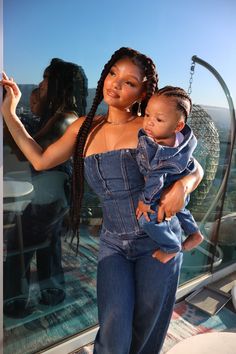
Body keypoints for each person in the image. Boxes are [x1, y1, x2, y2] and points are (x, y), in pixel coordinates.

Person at [1, 47, 203, 353]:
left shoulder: (148, 128)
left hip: (158, 243)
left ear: (143, 93)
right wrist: (9, 112)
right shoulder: (84, 128)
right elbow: (40, 160)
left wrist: (182, 188)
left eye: (130, 82)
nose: (116, 84)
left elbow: (194, 167)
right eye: (113, 74)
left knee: (147, 328)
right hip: (113, 245)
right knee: (114, 327)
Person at [3, 58, 88, 309]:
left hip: (45, 196)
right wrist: (19, 111)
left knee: (18, 246)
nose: (40, 84)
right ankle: (53, 295)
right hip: (55, 195)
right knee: (48, 246)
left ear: (59, 85)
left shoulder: (65, 120)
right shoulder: (66, 117)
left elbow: (24, 154)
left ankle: (15, 305)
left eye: (46, 78)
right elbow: (26, 143)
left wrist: (8, 111)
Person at [136, 86, 204, 264]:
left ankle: (172, 247)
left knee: (146, 220)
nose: (149, 122)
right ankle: (195, 233)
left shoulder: (161, 152)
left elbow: (154, 180)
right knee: (182, 209)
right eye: (147, 115)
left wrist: (145, 202)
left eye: (158, 119)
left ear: (178, 126)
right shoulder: (179, 141)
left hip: (164, 189)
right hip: (179, 189)